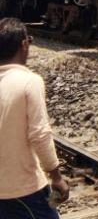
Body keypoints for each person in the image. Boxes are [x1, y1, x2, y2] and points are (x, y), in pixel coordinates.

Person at [0, 18, 70, 218]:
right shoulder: (29, 82)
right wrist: (56, 177)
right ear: (24, 45)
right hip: (23, 189)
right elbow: (40, 134)